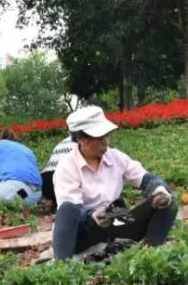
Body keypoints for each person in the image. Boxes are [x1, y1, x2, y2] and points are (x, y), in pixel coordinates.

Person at [52, 106, 177, 260]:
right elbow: (72, 212)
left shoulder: (116, 157)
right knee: (67, 209)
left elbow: (145, 178)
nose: (105, 142)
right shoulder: (67, 167)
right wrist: (93, 216)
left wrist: (157, 191)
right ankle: (63, 266)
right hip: (86, 233)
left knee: (168, 199)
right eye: (99, 138)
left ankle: (149, 252)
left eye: (107, 136)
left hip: (114, 224)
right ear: (81, 139)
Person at [40, 132, 75, 211]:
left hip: (46, 181)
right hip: (62, 180)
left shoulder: (62, 143)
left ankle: (57, 204)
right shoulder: (84, 142)